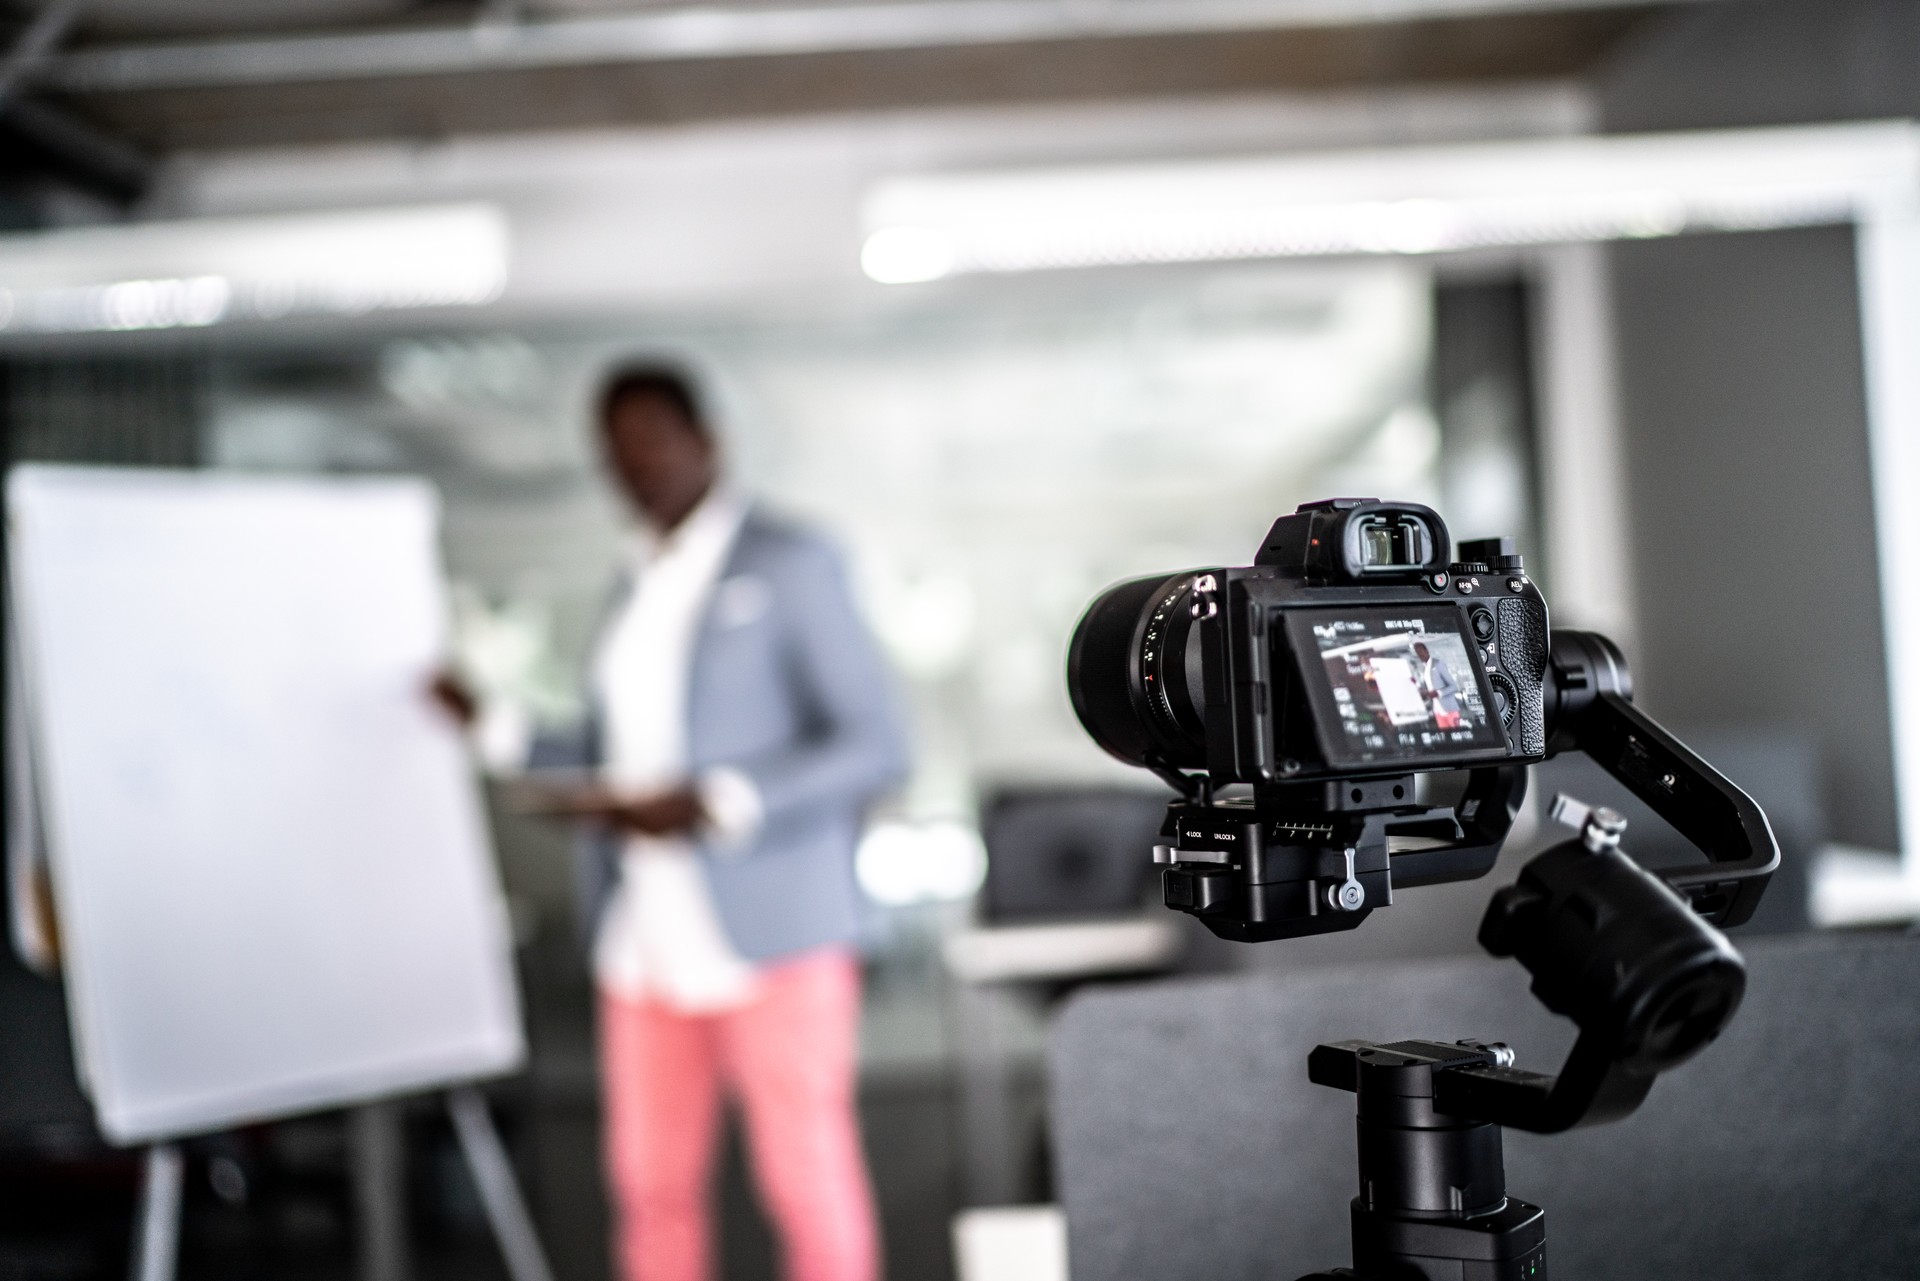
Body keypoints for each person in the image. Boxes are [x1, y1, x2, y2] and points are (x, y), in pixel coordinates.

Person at [438, 364, 908, 1281]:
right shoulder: (633, 582)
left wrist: (719, 801)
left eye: (650, 438)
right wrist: (491, 725)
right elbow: (613, 748)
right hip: (645, 941)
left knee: (804, 1182)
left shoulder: (790, 561)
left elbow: (874, 742)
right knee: (651, 1189)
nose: (632, 464)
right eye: (613, 448)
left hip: (776, 931)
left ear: (709, 438)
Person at [1413, 640, 1466, 729]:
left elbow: (1454, 686)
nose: (1420, 655)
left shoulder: (1438, 664)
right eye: (1417, 653)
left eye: (1421, 651)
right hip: (1438, 711)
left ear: (1426, 651)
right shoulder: (1425, 669)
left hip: (1450, 709)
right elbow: (1429, 688)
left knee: (1458, 734)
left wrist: (1438, 693)